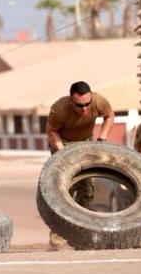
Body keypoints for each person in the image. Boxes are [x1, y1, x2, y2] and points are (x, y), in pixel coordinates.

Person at [46, 81, 114, 209]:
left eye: (87, 104)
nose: (85, 109)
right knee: (65, 185)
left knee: (86, 186)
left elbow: (109, 116)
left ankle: (82, 219)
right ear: (71, 101)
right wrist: (62, 152)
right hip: (64, 142)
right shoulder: (59, 109)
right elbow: (51, 131)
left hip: (85, 141)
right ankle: (62, 218)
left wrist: (102, 139)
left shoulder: (98, 101)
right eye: (80, 105)